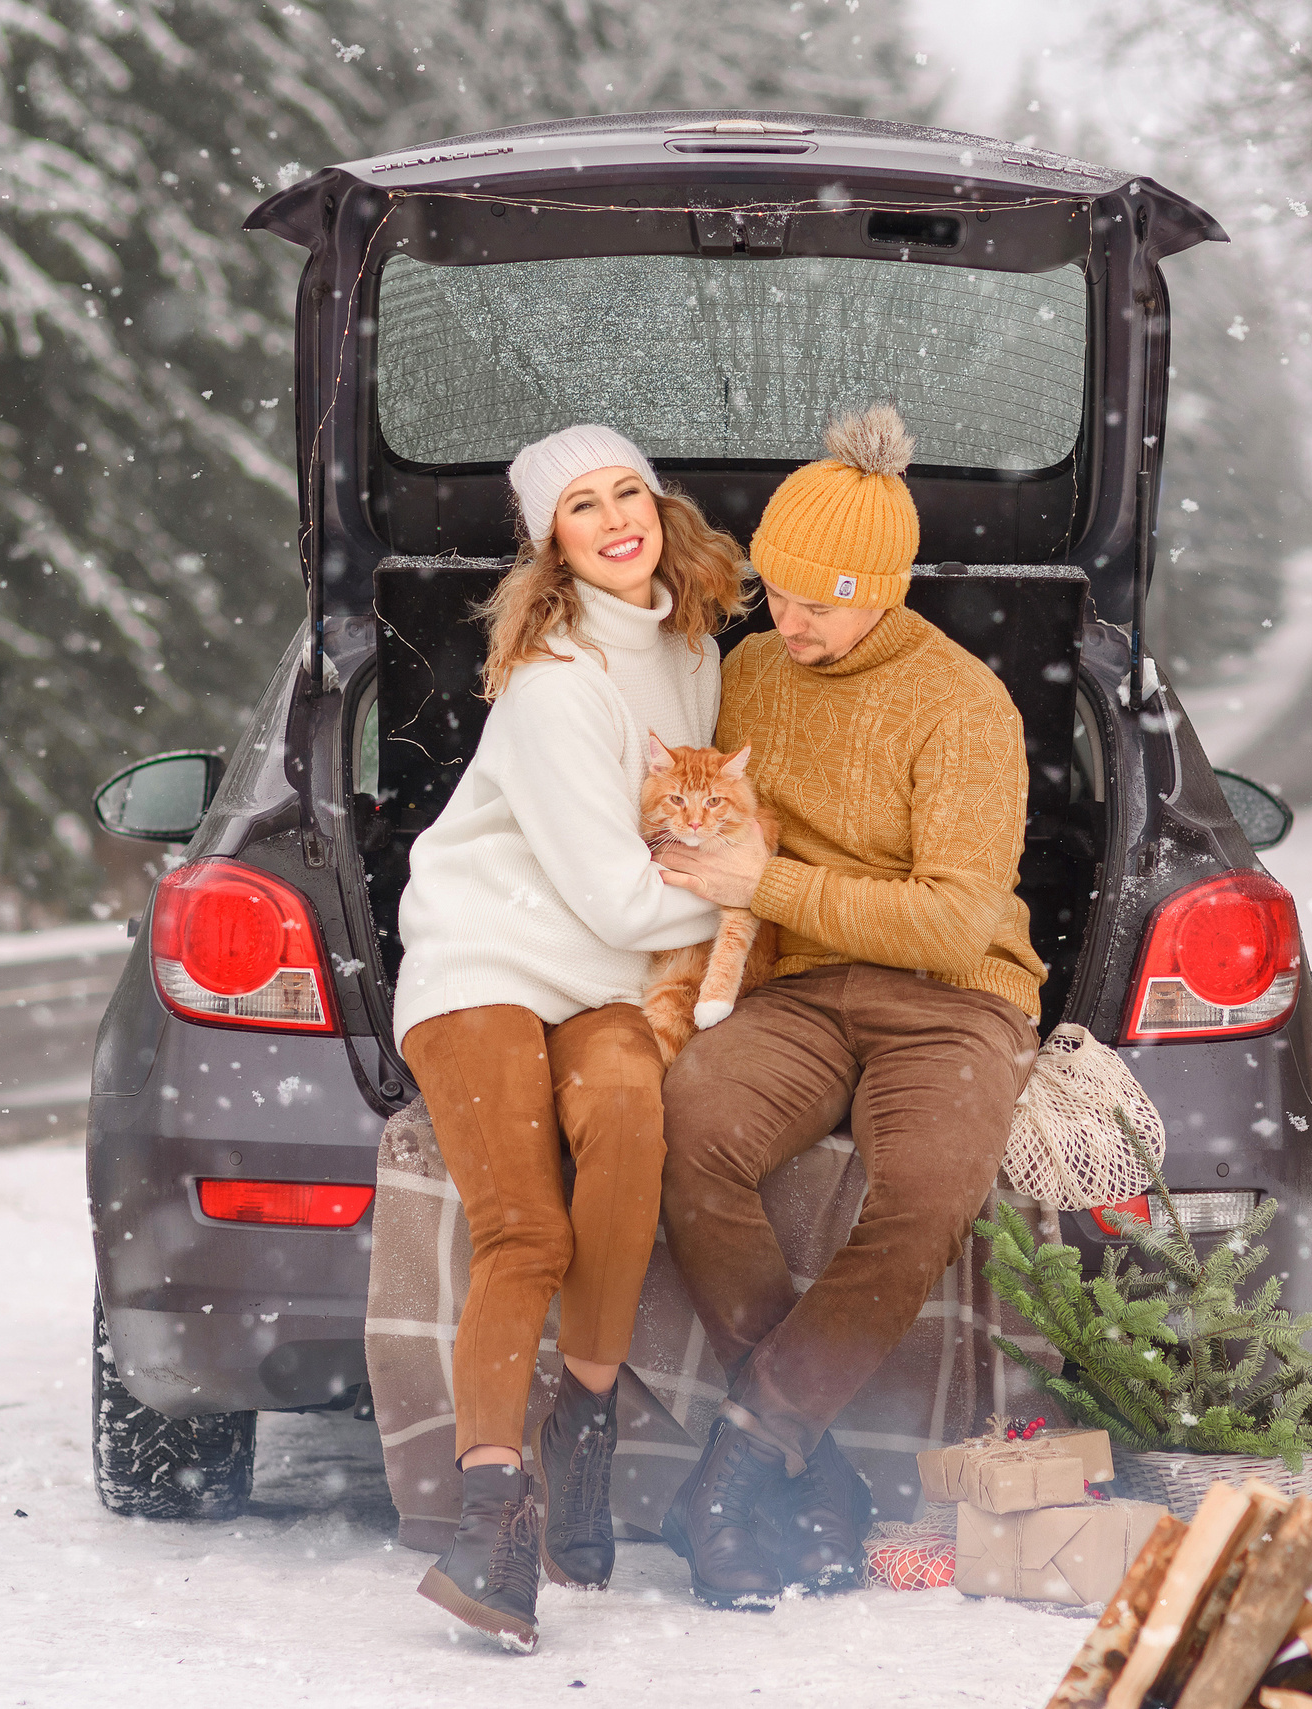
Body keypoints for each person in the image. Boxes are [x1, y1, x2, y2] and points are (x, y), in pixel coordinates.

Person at [651, 403, 1046, 1608]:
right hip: (799, 983)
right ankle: (802, 1456)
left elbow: (947, 919)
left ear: (886, 587)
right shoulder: (752, 670)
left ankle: (744, 1457)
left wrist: (759, 880)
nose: (791, 618)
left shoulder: (966, 708)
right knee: (689, 1126)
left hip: (951, 996)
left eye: (820, 599)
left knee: (926, 1184)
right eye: (775, 589)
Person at [392, 423, 750, 1652]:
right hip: (486, 958)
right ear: (551, 541)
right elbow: (614, 894)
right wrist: (759, 887)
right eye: (580, 507)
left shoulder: (693, 651)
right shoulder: (554, 684)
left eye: (626, 493)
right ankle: (490, 1513)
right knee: (525, 1225)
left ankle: (583, 1421)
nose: (612, 520)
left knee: (632, 1126)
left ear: (658, 508)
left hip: (603, 982)